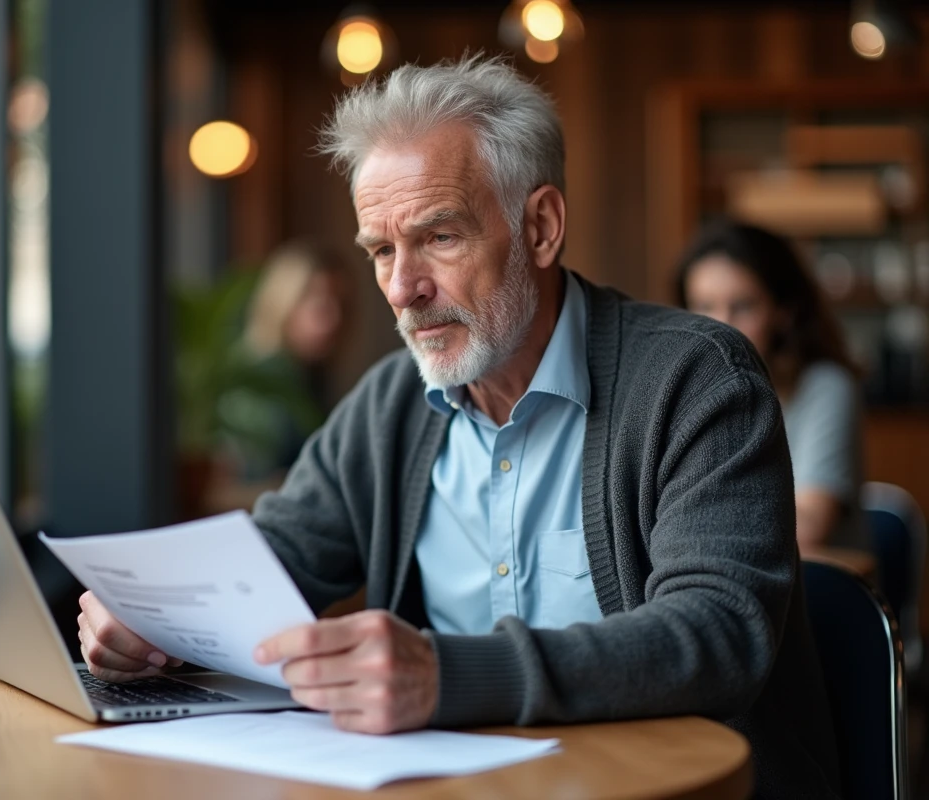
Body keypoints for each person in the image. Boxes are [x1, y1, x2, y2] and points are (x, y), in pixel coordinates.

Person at [78, 56, 840, 797]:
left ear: (540, 227)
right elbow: (271, 561)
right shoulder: (390, 405)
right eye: (381, 250)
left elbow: (719, 633)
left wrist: (448, 676)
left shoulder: (698, 378)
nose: (403, 289)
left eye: (439, 237)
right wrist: (154, 619)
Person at [676, 221, 866, 553]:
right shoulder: (686, 395)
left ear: (784, 312)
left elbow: (808, 527)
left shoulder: (825, 389)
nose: (722, 327)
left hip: (816, 594)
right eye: (705, 307)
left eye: (743, 306)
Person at [240, 241, 350, 476]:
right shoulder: (257, 384)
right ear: (283, 304)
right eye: (320, 305)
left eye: (343, 304)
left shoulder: (314, 378)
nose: (335, 318)